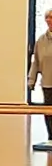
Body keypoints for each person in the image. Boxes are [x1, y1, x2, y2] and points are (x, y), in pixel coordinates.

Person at [29, 8, 52, 138]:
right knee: (48, 112)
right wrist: (31, 80)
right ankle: (51, 137)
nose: (49, 20)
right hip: (47, 83)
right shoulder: (41, 41)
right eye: (47, 18)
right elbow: (36, 62)